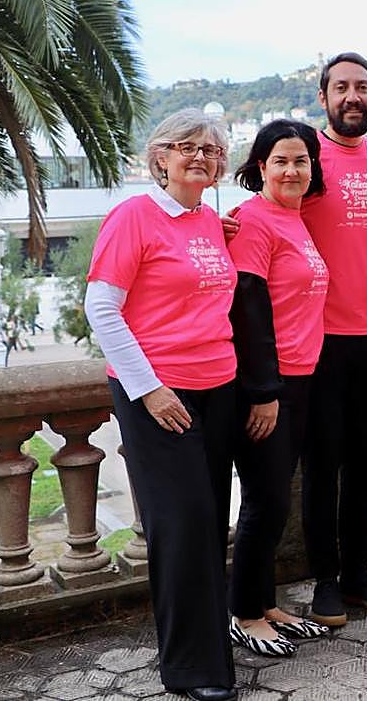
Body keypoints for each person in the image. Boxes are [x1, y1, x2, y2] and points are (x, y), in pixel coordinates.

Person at [85, 109, 238, 701]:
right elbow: (102, 308)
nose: (199, 156)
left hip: (217, 387)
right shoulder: (134, 217)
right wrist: (149, 388)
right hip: (159, 393)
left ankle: (214, 652)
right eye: (185, 147)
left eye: (210, 150)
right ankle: (190, 668)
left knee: (208, 525)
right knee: (181, 528)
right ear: (160, 158)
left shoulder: (205, 222)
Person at [298, 53, 367, 623]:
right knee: (323, 464)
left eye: (362, 87)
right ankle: (323, 580)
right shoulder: (305, 156)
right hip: (320, 338)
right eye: (341, 87)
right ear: (324, 98)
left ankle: (359, 571)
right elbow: (269, 207)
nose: (352, 96)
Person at [225, 119, 330, 655]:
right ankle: (243, 613)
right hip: (270, 385)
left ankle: (265, 603)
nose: (293, 170)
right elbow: (248, 310)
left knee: (275, 500)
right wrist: (264, 390)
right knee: (264, 503)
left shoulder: (293, 218)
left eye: (302, 161)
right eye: (281, 160)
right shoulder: (254, 221)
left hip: (301, 376)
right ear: (261, 166)